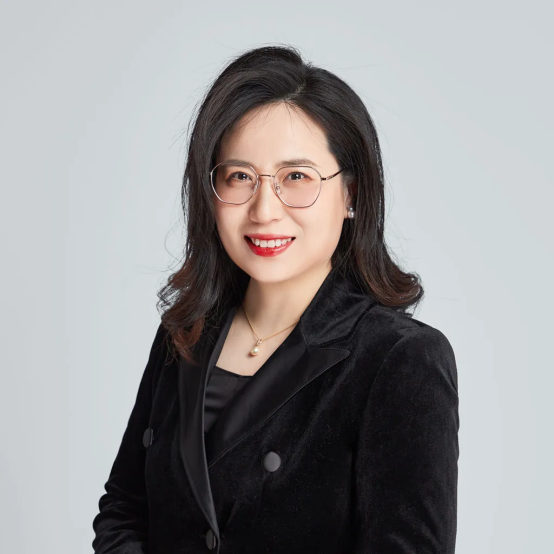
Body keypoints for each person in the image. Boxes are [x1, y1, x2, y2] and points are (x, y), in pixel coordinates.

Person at [92, 45, 459, 554]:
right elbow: (125, 507)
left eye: (296, 177)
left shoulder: (399, 359)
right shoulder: (185, 331)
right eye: (240, 176)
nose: (264, 210)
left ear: (351, 194)